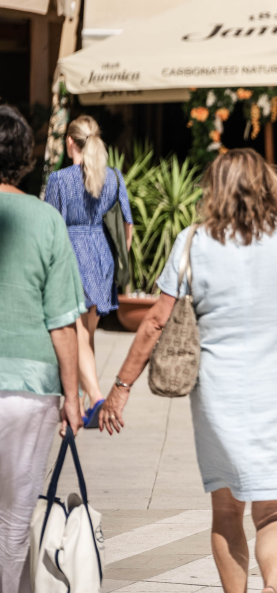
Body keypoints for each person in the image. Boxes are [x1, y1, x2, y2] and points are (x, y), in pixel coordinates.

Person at [98, 149, 277, 593]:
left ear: (214, 190)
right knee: (275, 513)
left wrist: (121, 387)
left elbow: (154, 322)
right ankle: (272, 590)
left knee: (226, 512)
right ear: (268, 184)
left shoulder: (191, 241)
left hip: (219, 397)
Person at [0, 104, 84, 593]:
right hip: (30, 388)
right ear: (25, 158)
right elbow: (62, 323)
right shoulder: (45, 218)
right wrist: (71, 398)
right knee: (13, 520)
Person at [45, 115, 132, 428]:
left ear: (70, 142)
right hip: (102, 254)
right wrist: (117, 257)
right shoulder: (114, 177)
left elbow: (52, 225)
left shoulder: (60, 180)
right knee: (88, 333)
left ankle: (96, 398)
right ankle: (81, 403)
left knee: (76, 332)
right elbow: (128, 224)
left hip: (73, 253)